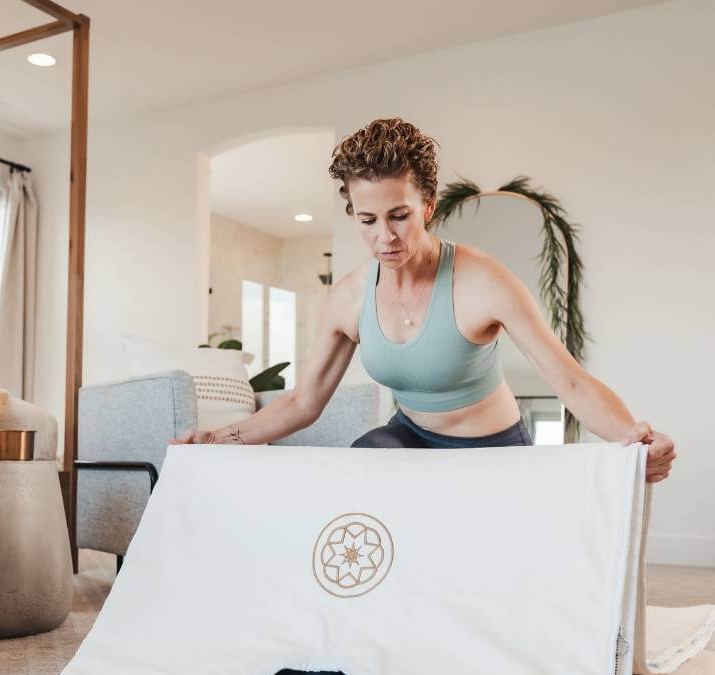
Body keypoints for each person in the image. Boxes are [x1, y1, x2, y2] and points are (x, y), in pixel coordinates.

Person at [171, 117, 676, 485]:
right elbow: (303, 402)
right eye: (367, 220)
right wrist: (218, 440)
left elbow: (569, 380)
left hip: (493, 451)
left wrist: (635, 436)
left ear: (427, 207)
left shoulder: (482, 280)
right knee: (367, 462)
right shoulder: (349, 297)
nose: (384, 236)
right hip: (409, 440)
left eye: (399, 215)